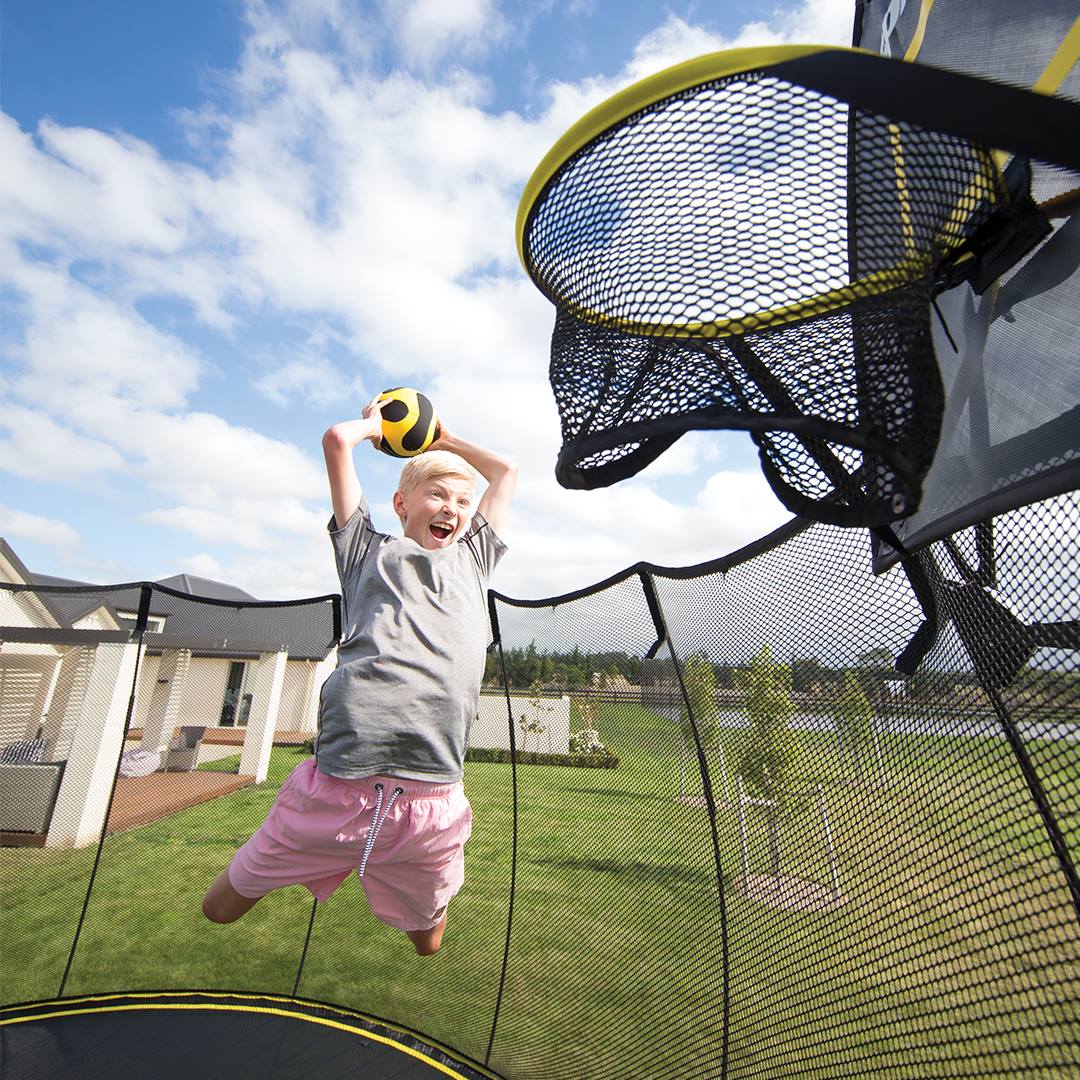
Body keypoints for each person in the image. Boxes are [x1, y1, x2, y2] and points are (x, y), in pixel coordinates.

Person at [202, 396, 517, 955]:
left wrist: (441, 440)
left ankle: (413, 896)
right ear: (401, 502)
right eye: (437, 493)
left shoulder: (475, 559)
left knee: (429, 944)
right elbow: (336, 440)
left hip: (431, 794)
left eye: (463, 501)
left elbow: (506, 471)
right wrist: (379, 428)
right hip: (339, 785)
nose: (452, 506)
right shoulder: (365, 552)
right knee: (219, 909)